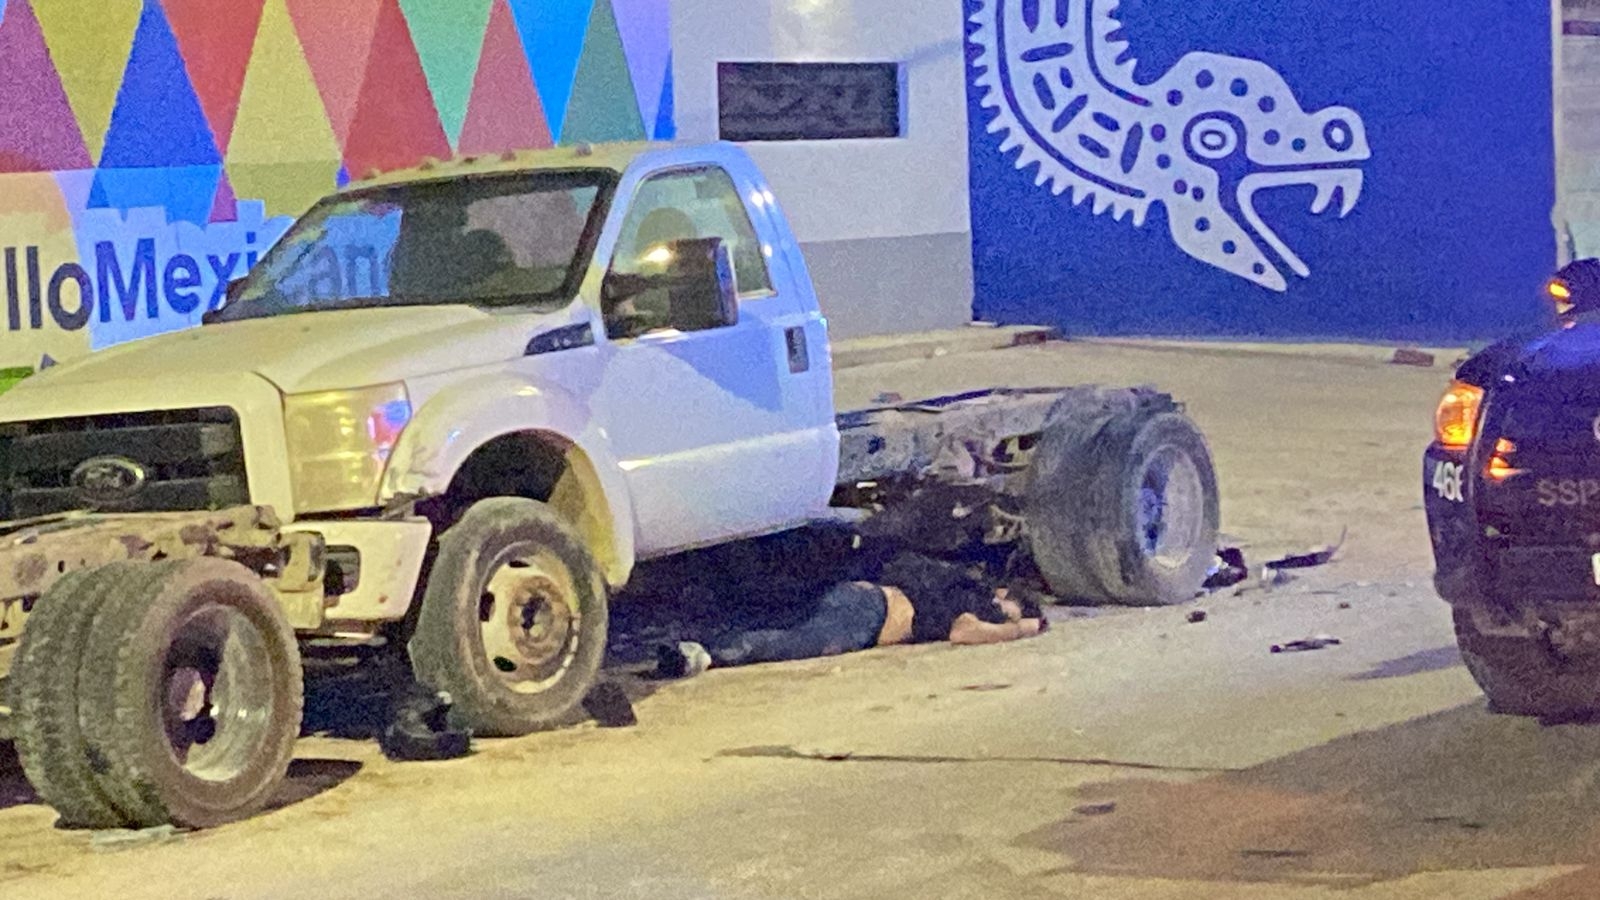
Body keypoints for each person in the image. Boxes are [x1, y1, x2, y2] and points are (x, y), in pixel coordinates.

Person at [655, 552, 1049, 677]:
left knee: (787, 623)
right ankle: (700, 654)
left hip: (864, 600)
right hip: (870, 615)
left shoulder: (961, 582)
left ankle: (700, 641)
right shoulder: (981, 599)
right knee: (795, 644)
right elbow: (965, 632)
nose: (1007, 616)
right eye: (1013, 609)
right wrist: (1021, 630)